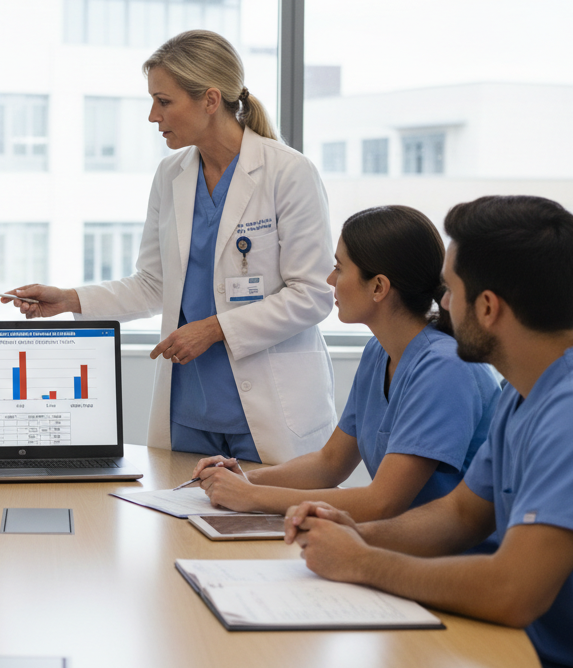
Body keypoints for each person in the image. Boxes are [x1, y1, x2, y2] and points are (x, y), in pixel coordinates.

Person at [286, 196, 573, 668]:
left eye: (450, 292)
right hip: (520, 650)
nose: (440, 307)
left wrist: (364, 562)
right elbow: (459, 515)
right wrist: (351, 531)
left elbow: (512, 592)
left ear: (487, 307)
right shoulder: (526, 390)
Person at [5, 30, 336, 465]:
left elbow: (313, 294)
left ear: (210, 100)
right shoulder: (171, 174)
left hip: (270, 409)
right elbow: (152, 284)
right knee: (177, 527)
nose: (152, 116)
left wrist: (214, 328)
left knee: (268, 530)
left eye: (163, 101)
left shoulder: (288, 172)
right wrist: (68, 300)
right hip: (189, 410)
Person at [194, 206, 500, 522]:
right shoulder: (379, 352)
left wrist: (251, 497)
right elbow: (330, 463)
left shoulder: (445, 369)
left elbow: (383, 502)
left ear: (379, 287)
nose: (330, 279)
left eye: (339, 268)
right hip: (402, 543)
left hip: (453, 557)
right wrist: (242, 478)